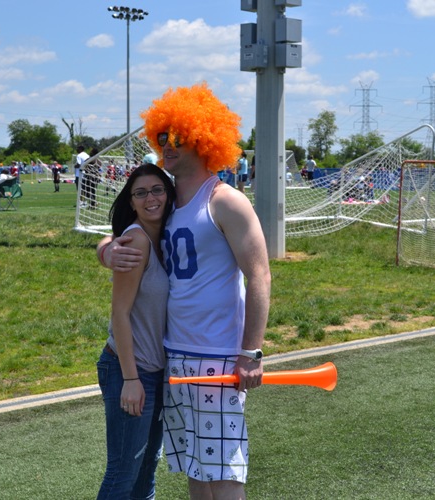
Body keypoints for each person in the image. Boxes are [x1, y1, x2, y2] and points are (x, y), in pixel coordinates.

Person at [103, 83, 271, 499]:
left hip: (218, 357)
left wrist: (251, 352)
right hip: (174, 356)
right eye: (161, 138)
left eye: (176, 137)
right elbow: (132, 234)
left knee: (226, 471)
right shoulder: (169, 201)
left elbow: (260, 276)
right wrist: (105, 250)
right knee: (196, 467)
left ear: (202, 136)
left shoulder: (226, 201)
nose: (166, 146)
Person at [94, 163, 176, 499]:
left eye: (157, 189)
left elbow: (107, 241)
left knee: (146, 472)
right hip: (130, 369)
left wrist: (104, 247)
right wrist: (131, 380)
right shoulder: (136, 241)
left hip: (157, 373)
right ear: (131, 201)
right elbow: (120, 313)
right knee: (123, 474)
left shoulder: (168, 235)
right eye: (140, 193)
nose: (150, 198)